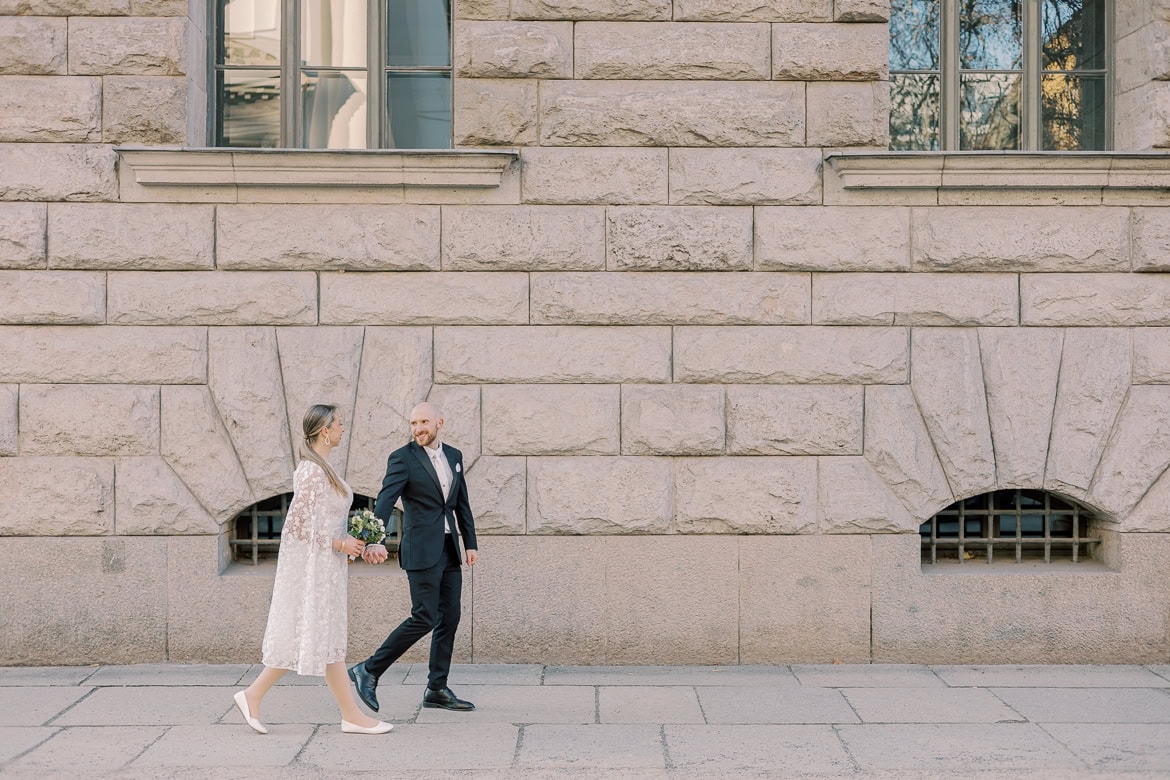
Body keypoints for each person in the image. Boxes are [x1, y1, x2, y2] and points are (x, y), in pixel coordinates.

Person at [232, 404, 393, 736]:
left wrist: (359, 542)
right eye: (339, 424)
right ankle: (257, 696)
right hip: (316, 571)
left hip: (328, 569)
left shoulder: (324, 468)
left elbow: (325, 520)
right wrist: (339, 544)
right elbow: (296, 528)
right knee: (313, 635)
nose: (343, 428)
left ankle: (347, 715)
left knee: (327, 641)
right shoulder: (311, 472)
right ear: (325, 431)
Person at [348, 401, 479, 713]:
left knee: (450, 617)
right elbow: (385, 500)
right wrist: (373, 540)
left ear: (439, 423)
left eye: (423, 422)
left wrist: (470, 543)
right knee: (424, 617)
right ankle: (369, 669)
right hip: (421, 550)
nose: (418, 429)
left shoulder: (454, 456)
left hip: (449, 549)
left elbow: (461, 503)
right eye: (413, 423)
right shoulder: (403, 458)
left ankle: (437, 689)